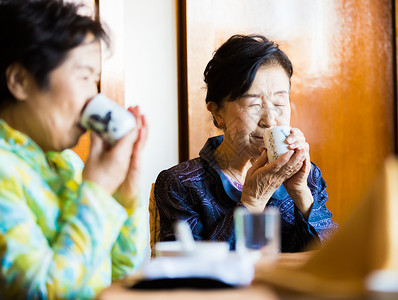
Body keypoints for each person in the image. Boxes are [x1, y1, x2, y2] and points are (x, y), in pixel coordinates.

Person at [0, 1, 148, 298]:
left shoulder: (66, 164)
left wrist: (122, 196)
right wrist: (97, 190)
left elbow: (123, 275)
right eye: (83, 77)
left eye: (95, 81)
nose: (93, 98)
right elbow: (41, 291)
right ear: (20, 81)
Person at [155, 34, 337, 252]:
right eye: (253, 105)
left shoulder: (308, 176)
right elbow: (188, 274)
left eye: (280, 103)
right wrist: (252, 200)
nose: (270, 120)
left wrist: (301, 192)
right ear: (217, 112)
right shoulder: (182, 184)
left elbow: (337, 259)